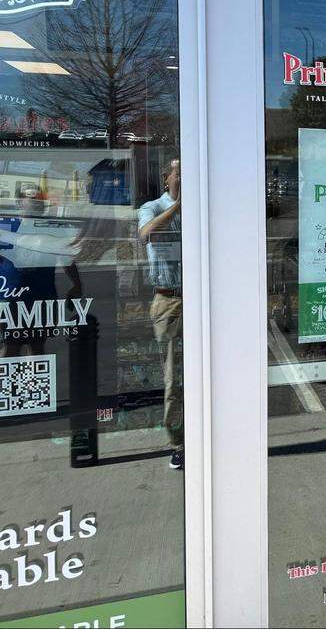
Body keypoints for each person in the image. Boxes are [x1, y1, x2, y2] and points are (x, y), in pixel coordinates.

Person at [139, 159, 183, 470]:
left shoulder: (203, 206)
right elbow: (147, 234)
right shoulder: (153, 207)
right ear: (166, 178)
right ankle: (179, 443)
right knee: (174, 378)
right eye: (179, 173)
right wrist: (179, 207)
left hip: (203, 300)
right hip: (169, 301)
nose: (184, 178)